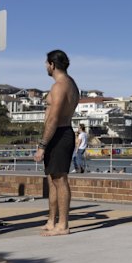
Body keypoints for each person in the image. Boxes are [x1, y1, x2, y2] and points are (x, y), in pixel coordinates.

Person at [33, 50, 80, 236]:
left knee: (60, 180)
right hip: (59, 133)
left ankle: (63, 225)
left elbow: (53, 118)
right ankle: (52, 221)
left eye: (46, 63)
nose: (45, 66)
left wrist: (42, 145)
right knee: (52, 180)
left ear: (52, 64)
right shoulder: (71, 83)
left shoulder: (60, 86)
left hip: (59, 134)